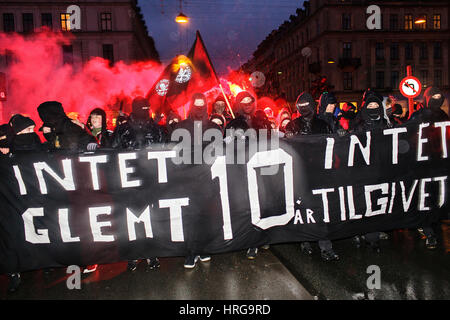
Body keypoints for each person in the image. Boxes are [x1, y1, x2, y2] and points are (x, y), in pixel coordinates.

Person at [111, 96, 165, 271]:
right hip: (129, 180)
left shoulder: (156, 129)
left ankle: (151, 253)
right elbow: (112, 153)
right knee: (130, 218)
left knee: (151, 217)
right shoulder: (122, 130)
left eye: (146, 108)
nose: (145, 111)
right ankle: (133, 254)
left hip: (151, 180)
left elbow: (164, 152)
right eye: (142, 108)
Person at [285, 92, 340, 261]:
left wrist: (341, 135)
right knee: (303, 210)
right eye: (301, 106)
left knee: (321, 210)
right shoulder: (292, 126)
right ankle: (305, 240)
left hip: (320, 174)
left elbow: (334, 146)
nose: (304, 109)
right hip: (300, 174)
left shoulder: (323, 124)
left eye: (307, 105)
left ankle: (325, 247)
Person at [173, 93, 220, 269]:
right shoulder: (181, 127)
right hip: (187, 179)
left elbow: (220, 152)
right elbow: (173, 151)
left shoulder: (213, 127)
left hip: (207, 178)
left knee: (205, 214)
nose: (199, 107)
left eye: (202, 104)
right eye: (196, 104)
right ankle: (190, 252)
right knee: (189, 215)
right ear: (192, 105)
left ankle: (203, 248)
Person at [226, 91, 271, 260]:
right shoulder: (232, 124)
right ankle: (250, 241)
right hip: (243, 169)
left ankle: (263, 236)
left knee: (264, 204)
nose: (247, 104)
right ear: (238, 104)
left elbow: (272, 142)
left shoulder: (262, 121)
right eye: (243, 102)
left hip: (263, 168)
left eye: (249, 101)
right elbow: (228, 148)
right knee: (248, 206)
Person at [407, 87, 448, 249]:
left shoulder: (443, 115)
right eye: (434, 96)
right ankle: (428, 232)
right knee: (424, 199)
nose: (436, 99)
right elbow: (409, 135)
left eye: (439, 97)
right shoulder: (418, 115)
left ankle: (433, 228)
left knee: (437, 198)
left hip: (440, 164)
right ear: (427, 98)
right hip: (422, 164)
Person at [349, 91, 388, 253]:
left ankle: (373, 236)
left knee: (379, 204)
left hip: (382, 171)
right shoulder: (358, 125)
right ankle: (369, 237)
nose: (373, 108)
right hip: (363, 172)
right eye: (369, 106)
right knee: (365, 205)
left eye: (375, 106)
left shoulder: (386, 124)